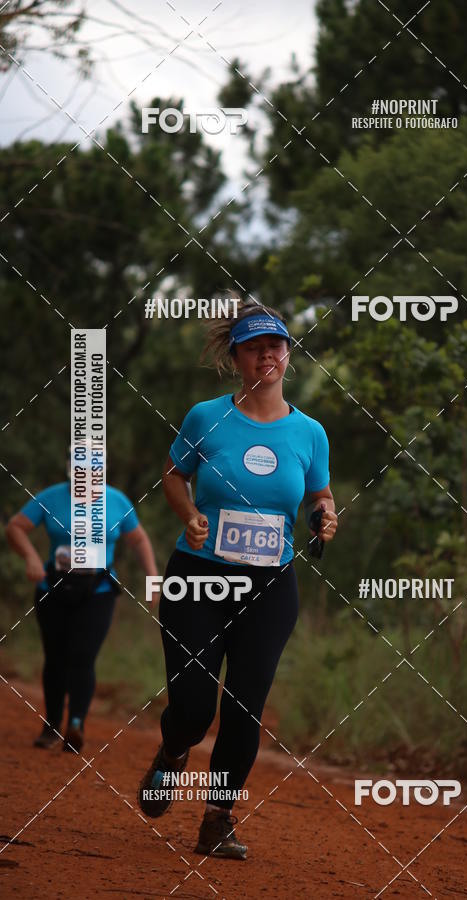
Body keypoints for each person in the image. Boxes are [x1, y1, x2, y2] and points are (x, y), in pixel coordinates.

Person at [138, 299, 338, 860]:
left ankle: (217, 820)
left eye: (275, 345)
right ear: (237, 358)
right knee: (196, 706)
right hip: (199, 578)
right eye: (254, 348)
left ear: (288, 354)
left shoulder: (309, 432)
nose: (266, 355)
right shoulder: (206, 417)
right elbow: (174, 475)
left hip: (271, 587)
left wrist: (326, 515)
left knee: (245, 706)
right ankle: (174, 750)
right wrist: (190, 517)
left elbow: (319, 494)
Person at [6, 455, 158, 753]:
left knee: (83, 655)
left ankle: (76, 724)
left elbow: (138, 540)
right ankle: (51, 726)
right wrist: (31, 558)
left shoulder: (116, 501)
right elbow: (16, 527)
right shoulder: (51, 497)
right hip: (53, 587)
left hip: (98, 590)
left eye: (92, 472)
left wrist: (153, 579)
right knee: (56, 656)